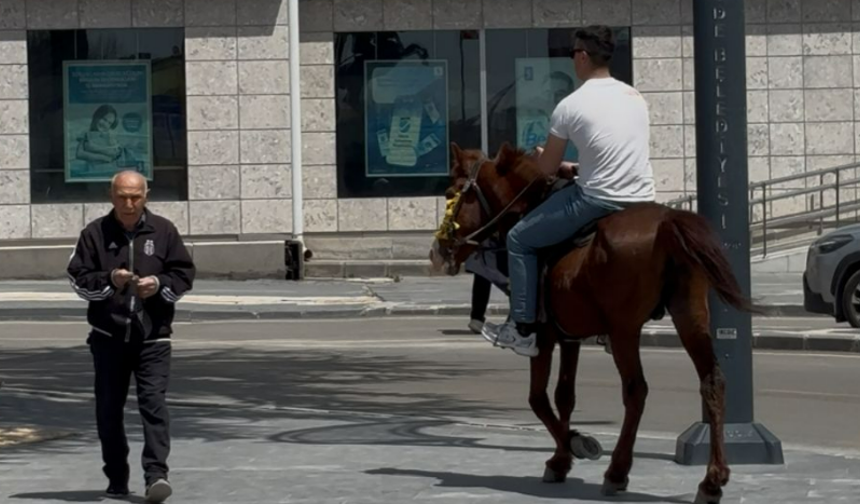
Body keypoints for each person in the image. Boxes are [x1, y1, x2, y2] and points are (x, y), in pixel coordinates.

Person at [481, 25, 656, 357]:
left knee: (519, 238)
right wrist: (573, 169)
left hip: (597, 199)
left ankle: (522, 329)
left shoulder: (571, 105)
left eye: (573, 53)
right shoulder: (635, 96)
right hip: (642, 199)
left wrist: (542, 161)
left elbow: (546, 171)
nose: (572, 59)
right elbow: (614, 156)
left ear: (584, 56)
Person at [67, 170, 195, 502]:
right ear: (111, 196)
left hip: (153, 338)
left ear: (146, 195)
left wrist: (158, 286)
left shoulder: (164, 231)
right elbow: (79, 278)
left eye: (135, 196)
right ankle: (117, 475)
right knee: (108, 409)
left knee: (154, 405)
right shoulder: (95, 233)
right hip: (108, 336)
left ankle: (156, 476)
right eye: (122, 196)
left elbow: (183, 274)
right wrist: (111, 280)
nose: (128, 203)